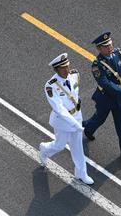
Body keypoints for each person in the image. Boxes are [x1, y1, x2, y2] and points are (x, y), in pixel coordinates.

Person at [82, 31, 121, 163]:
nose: (109, 48)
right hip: (105, 98)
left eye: (110, 44)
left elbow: (120, 75)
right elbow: (104, 83)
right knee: (99, 119)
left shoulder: (117, 54)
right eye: (105, 46)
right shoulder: (97, 65)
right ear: (99, 48)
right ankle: (88, 129)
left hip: (119, 98)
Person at [37, 53, 93, 185]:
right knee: (60, 145)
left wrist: (77, 121)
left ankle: (81, 173)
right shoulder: (51, 86)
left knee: (77, 146)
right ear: (56, 70)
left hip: (77, 115)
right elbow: (59, 108)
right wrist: (74, 123)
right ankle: (44, 149)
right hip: (63, 121)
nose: (67, 70)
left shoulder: (74, 75)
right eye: (63, 68)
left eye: (67, 66)